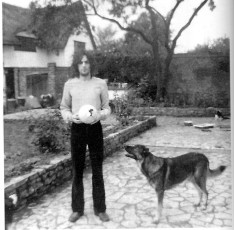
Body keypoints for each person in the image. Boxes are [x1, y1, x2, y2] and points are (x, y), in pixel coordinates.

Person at [60, 51, 111, 223]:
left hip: (94, 128)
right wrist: (69, 117)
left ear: (91, 65)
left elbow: (107, 108)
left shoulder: (100, 84)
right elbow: (63, 107)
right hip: (78, 130)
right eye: (81, 62)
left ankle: (100, 209)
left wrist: (100, 115)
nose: (84, 65)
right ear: (77, 65)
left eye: (87, 62)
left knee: (97, 169)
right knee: (77, 170)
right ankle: (77, 209)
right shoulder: (69, 84)